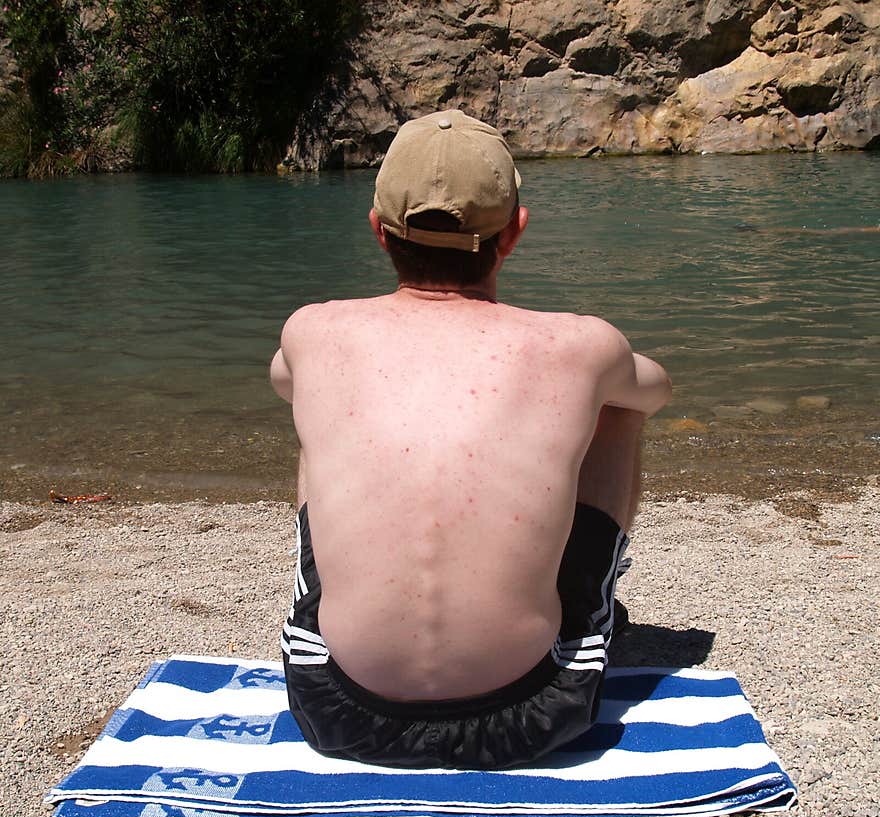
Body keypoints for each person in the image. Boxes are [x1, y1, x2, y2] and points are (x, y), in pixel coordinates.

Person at [269, 109, 672, 770]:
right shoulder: (578, 344)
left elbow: (283, 381)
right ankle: (591, 598)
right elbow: (656, 392)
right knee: (617, 408)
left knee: (320, 411)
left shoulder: (315, 332)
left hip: (337, 708)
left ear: (378, 231)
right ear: (514, 233)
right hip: (530, 716)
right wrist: (600, 376)